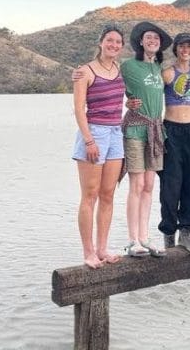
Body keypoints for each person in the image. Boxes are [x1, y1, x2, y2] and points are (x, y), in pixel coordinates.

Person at [71, 25, 127, 268]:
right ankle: (88, 251)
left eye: (118, 42)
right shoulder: (85, 72)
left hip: (116, 133)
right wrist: (89, 140)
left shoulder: (120, 70)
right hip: (94, 133)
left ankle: (102, 248)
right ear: (101, 43)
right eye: (109, 40)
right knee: (90, 195)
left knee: (108, 194)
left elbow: (122, 99)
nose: (113, 45)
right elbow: (78, 109)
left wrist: (133, 105)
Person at [121, 21, 172, 257]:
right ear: (141, 42)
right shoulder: (128, 66)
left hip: (156, 129)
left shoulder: (159, 68)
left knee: (150, 185)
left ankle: (144, 236)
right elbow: (109, 79)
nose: (152, 41)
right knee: (137, 184)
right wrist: (126, 102)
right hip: (135, 129)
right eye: (148, 37)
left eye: (156, 38)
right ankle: (133, 240)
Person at [159, 32, 190, 254]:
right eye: (182, 47)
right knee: (171, 182)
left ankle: (186, 231)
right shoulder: (168, 73)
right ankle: (169, 233)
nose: (186, 50)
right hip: (172, 130)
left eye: (189, 47)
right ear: (176, 49)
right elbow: (149, 93)